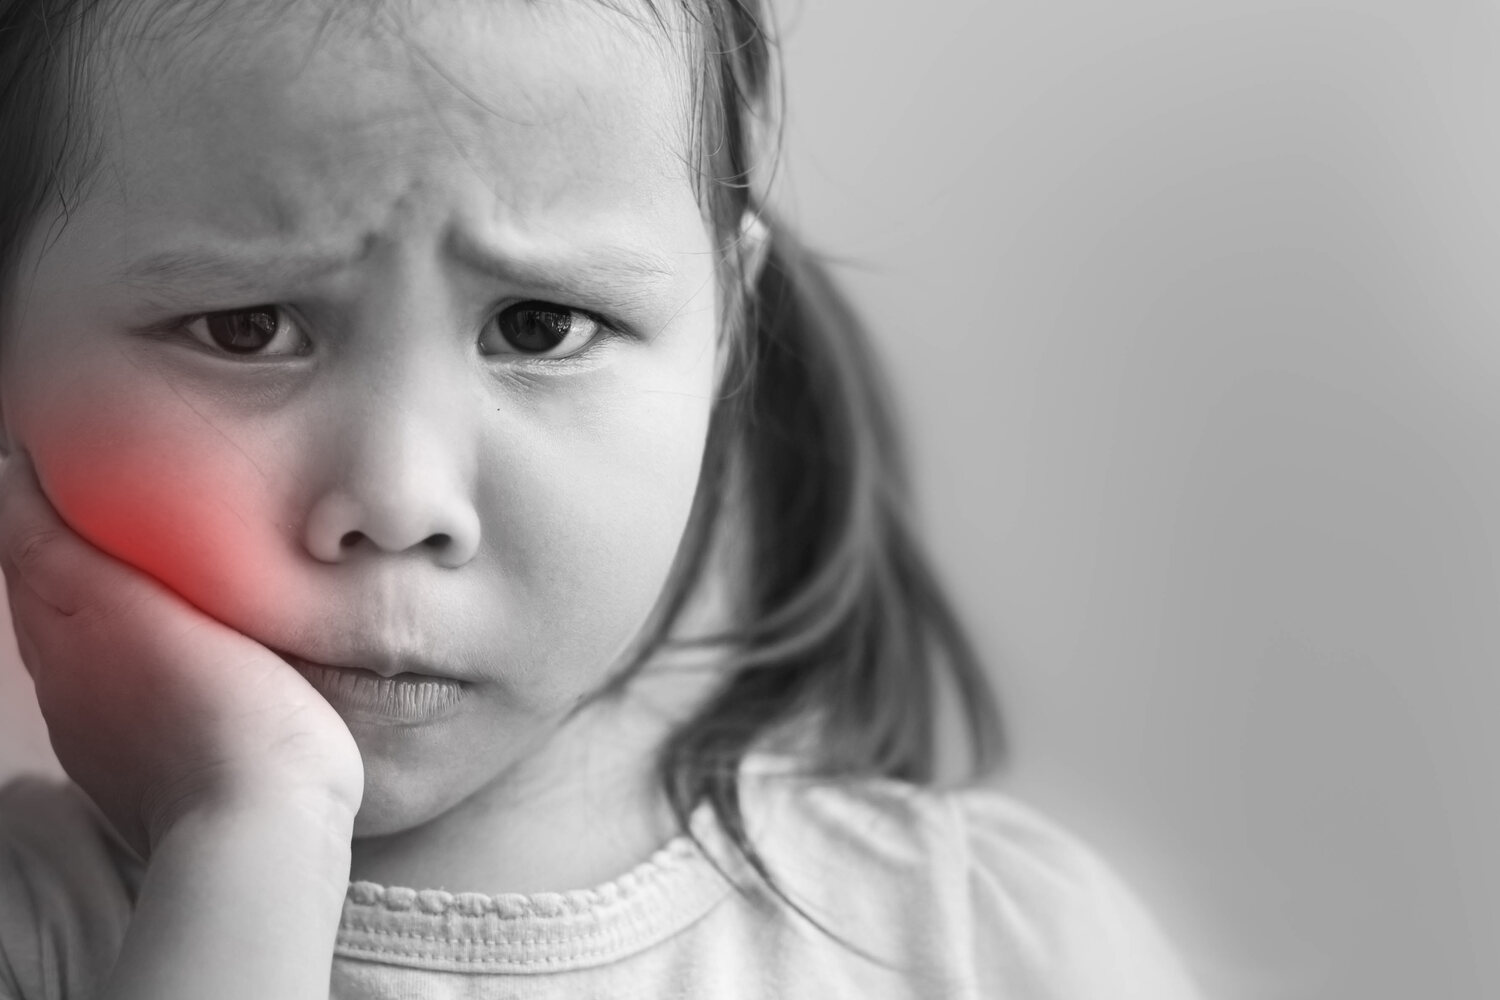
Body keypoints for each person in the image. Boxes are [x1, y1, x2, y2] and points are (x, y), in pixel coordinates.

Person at [0, 0, 1202, 997]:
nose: (404, 501)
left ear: (726, 334)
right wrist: (247, 838)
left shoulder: (995, 948)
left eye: (539, 326)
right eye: (248, 329)